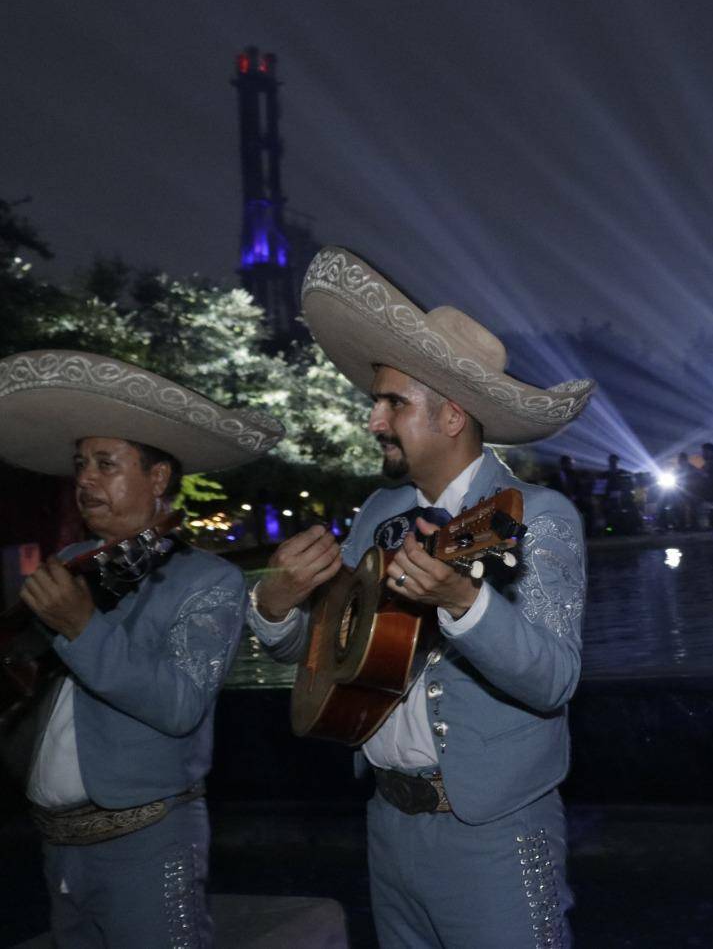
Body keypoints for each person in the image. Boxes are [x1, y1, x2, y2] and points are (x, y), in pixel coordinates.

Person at [245, 246, 595, 948]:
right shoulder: (378, 510)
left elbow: (555, 679)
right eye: (377, 403)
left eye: (392, 403)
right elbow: (324, 649)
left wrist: (466, 603)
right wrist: (279, 602)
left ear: (452, 416)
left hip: (492, 833)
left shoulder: (536, 514)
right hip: (386, 825)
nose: (374, 421)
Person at [0, 349, 282, 948]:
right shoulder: (71, 567)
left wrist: (81, 627)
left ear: (157, 479)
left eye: (106, 463)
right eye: (81, 464)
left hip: (147, 844)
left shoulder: (207, 580)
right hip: (55, 845)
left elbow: (180, 705)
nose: (84, 479)